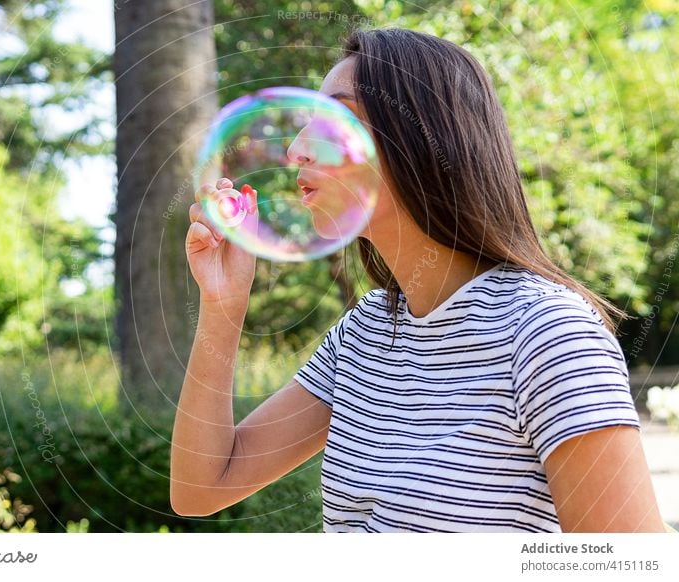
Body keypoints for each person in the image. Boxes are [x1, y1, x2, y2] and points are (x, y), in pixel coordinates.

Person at [170, 27, 667, 532]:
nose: (297, 149)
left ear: (423, 138)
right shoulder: (363, 335)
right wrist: (223, 303)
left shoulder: (546, 332)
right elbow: (202, 487)